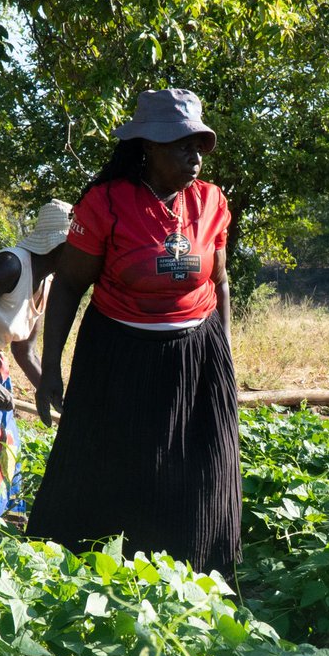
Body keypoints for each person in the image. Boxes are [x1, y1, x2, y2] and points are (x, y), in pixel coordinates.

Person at [28, 88, 241, 574]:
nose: (194, 156)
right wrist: (50, 370)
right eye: (180, 144)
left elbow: (221, 282)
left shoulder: (211, 202)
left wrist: (223, 355)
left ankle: (197, 578)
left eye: (199, 145)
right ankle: (92, 578)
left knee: (200, 470)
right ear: (148, 146)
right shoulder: (106, 203)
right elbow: (66, 289)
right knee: (109, 468)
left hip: (196, 353)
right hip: (119, 356)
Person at [0, 200, 72, 519]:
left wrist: (54, 395)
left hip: (0, 370)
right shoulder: (10, 266)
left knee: (6, 451)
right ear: (59, 244)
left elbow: (24, 350)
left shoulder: (46, 282)